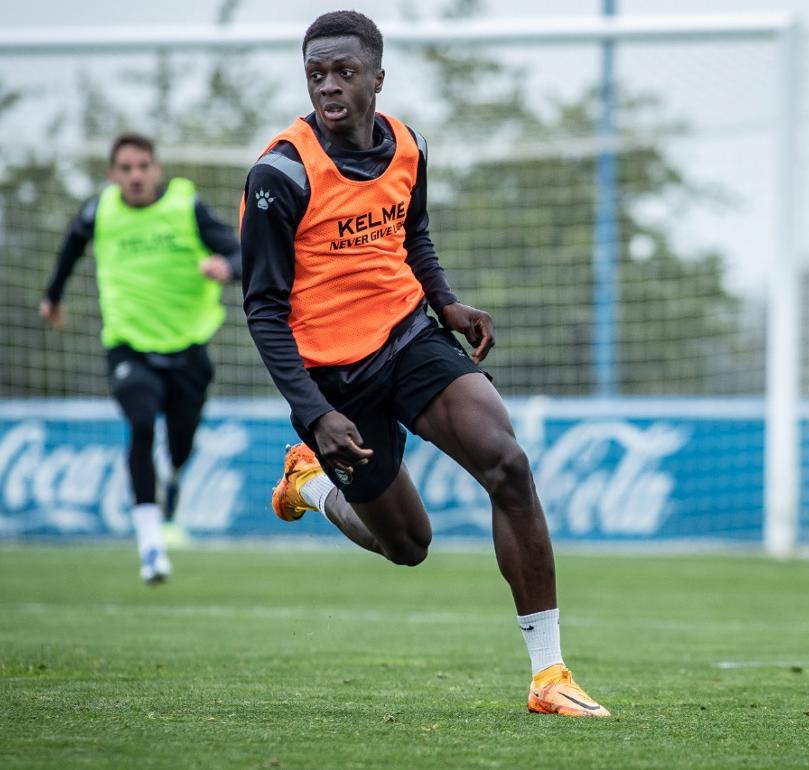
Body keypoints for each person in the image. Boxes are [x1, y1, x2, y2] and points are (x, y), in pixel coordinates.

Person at [239, 11, 608, 717]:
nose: (329, 86)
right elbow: (262, 311)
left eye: (344, 71)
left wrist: (447, 302)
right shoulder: (278, 175)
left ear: (378, 76)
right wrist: (316, 414)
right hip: (333, 380)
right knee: (409, 545)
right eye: (315, 73)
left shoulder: (408, 144)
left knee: (508, 464)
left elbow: (413, 233)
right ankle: (310, 483)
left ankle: (549, 676)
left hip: (409, 338)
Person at [41, 133, 240, 585]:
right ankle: (151, 546)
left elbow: (239, 250)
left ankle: (172, 474)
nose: (135, 175)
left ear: (157, 170)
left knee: (180, 445)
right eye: (125, 168)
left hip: (189, 349)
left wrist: (227, 267)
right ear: (112, 175)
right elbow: (70, 249)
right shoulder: (99, 211)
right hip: (129, 346)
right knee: (141, 420)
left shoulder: (186, 206)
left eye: (142, 166)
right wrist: (52, 298)